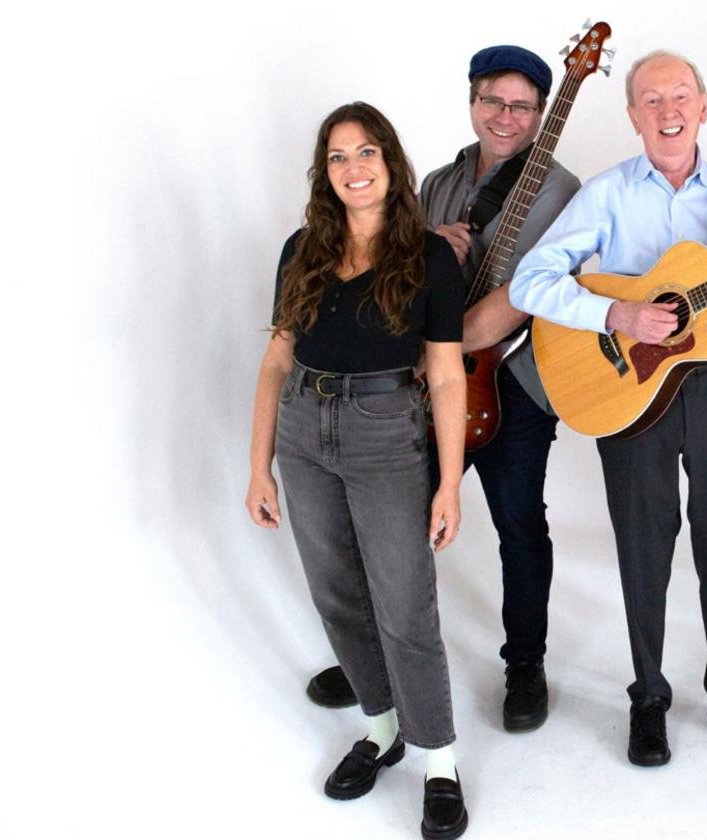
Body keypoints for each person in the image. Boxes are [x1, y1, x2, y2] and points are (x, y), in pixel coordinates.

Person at [509, 50, 707, 767]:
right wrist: (614, 316)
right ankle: (649, 696)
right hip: (630, 392)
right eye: (652, 99)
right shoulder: (604, 195)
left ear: (703, 106)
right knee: (642, 546)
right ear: (633, 115)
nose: (669, 110)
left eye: (682, 95)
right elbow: (531, 283)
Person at [304, 45, 581, 735]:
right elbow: (394, 269)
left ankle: (524, 666)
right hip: (423, 386)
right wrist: (433, 247)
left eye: (521, 105)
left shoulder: (562, 190)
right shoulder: (438, 180)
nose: (505, 117)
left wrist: (445, 343)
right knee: (392, 520)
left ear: (541, 113)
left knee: (520, 529)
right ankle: (373, 659)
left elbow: (526, 293)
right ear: (472, 102)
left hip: (513, 380)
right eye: (493, 101)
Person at [246, 102, 469, 837]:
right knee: (337, 593)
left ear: (391, 163)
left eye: (367, 151)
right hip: (306, 430)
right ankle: (381, 729)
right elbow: (278, 360)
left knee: (406, 608)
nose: (354, 167)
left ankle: (438, 759)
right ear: (326, 173)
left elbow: (444, 375)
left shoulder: (430, 256)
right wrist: (259, 468)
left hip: (385, 436)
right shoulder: (301, 249)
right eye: (339, 156)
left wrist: (447, 482)